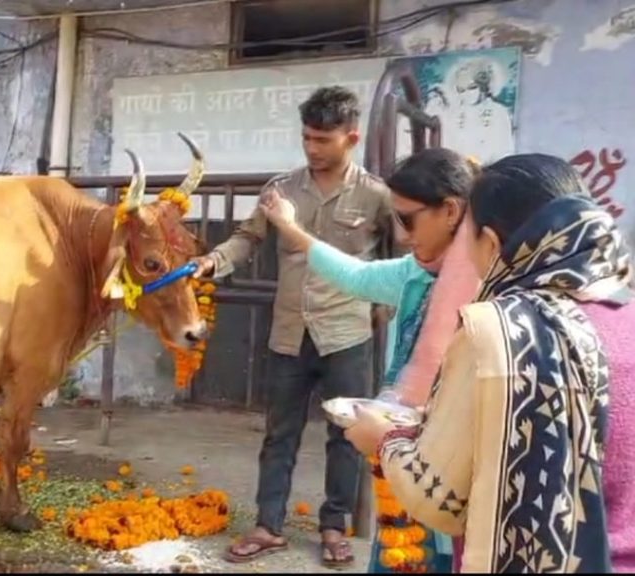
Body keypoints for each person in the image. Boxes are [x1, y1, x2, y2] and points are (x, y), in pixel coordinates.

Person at [343, 153, 633, 573]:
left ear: (492, 244)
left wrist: (385, 440)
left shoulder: (499, 333)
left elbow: (440, 500)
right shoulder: (626, 314)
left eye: (469, 239)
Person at [257, 147, 483, 573]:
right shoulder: (416, 271)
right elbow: (355, 275)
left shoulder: (490, 288)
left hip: (456, 473)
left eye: (408, 220)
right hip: (406, 461)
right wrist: (289, 227)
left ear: (451, 211)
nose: (402, 235)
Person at [193, 86, 392, 567]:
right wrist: (214, 261)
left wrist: (380, 311)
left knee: (347, 435)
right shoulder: (281, 190)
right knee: (279, 433)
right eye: (306, 137)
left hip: (347, 334)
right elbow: (247, 237)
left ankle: (334, 526)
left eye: (323, 140)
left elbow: (399, 257)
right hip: (289, 332)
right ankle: (268, 525)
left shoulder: (376, 195)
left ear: (351, 138)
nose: (312, 148)